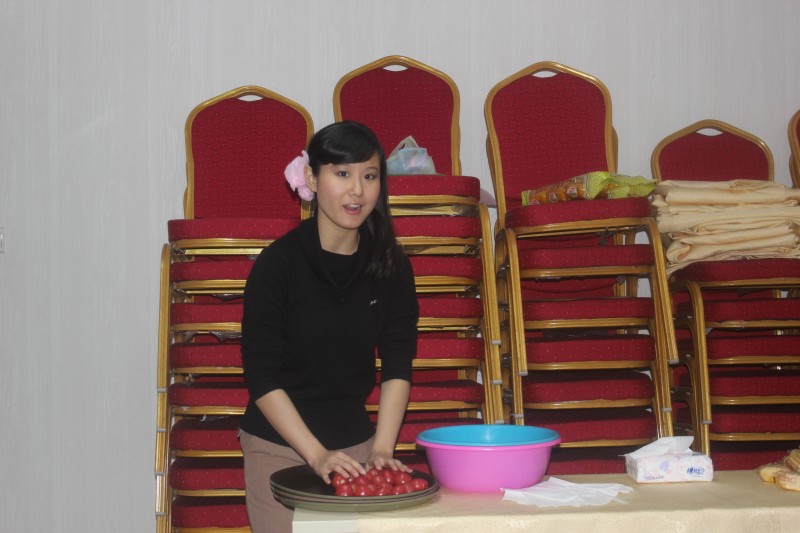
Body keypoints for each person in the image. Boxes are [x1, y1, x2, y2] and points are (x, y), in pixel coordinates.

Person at [239, 121, 419, 533]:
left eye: (369, 176)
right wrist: (316, 454)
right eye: (342, 173)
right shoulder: (277, 265)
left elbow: (398, 362)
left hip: (358, 447)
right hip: (281, 446)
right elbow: (262, 376)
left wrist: (382, 448)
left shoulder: (391, 265)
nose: (357, 191)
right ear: (312, 178)